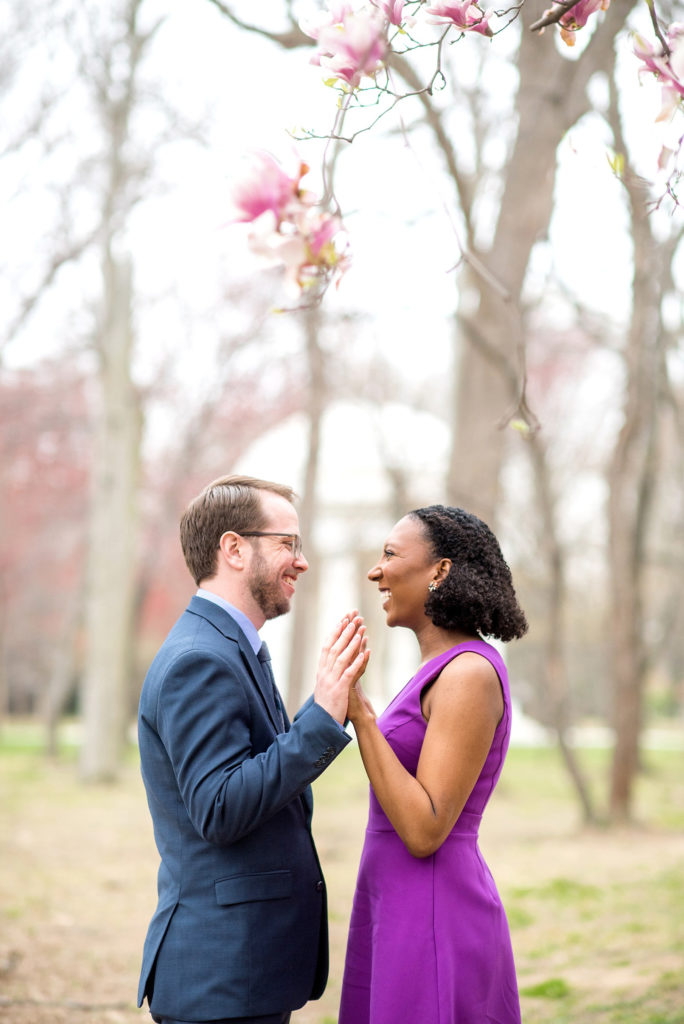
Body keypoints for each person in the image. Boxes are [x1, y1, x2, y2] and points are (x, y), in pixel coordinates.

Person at [136, 474, 368, 1024]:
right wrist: (321, 717)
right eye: (287, 543)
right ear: (234, 549)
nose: (302, 561)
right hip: (220, 979)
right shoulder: (202, 659)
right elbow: (218, 808)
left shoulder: (232, 647)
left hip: (244, 974)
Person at [339, 504, 528, 1024]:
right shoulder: (438, 668)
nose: (376, 570)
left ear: (440, 571)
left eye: (390, 554)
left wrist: (361, 715)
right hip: (394, 900)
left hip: (433, 908)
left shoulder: (468, 673)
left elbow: (425, 830)